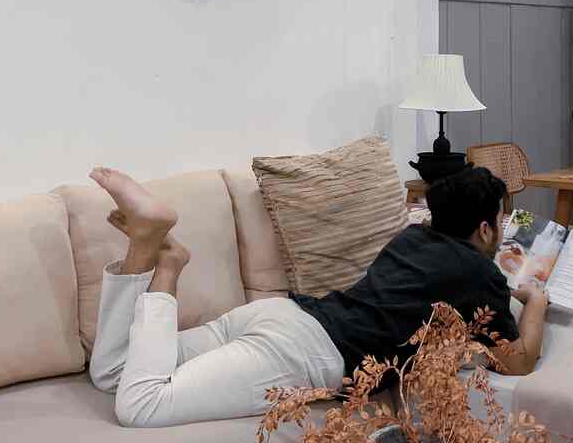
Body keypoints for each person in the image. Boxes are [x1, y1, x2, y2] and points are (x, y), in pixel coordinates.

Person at [88, 164, 547, 428]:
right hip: (303, 354)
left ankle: (145, 247)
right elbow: (520, 360)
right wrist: (536, 302)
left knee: (112, 372)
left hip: (280, 314)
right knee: (141, 404)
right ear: (485, 228)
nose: (503, 230)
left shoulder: (411, 239)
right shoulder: (479, 274)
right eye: (501, 221)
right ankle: (166, 266)